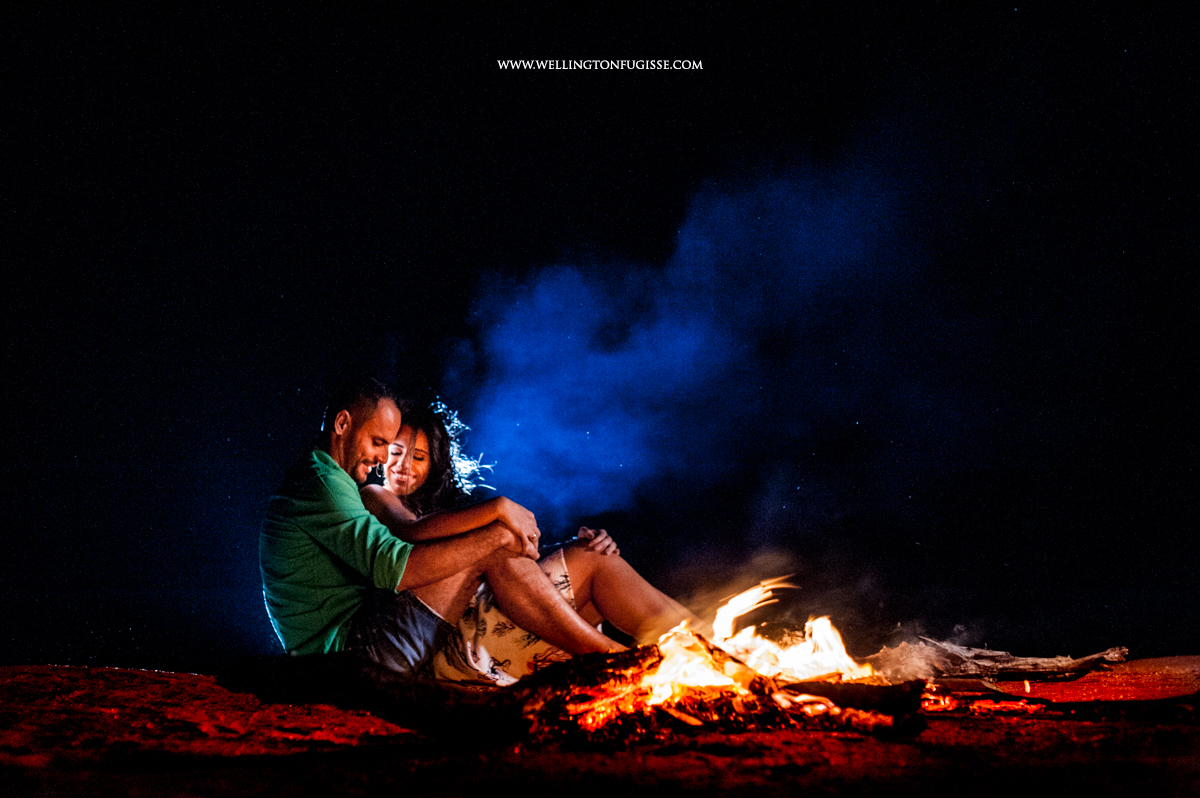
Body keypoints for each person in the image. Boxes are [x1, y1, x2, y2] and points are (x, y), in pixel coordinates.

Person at [259, 377, 627, 678]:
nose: (383, 459)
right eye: (379, 443)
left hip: (353, 646)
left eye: (405, 452)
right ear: (342, 424)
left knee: (567, 561)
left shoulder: (326, 481)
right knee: (488, 546)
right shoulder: (327, 485)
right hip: (350, 658)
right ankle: (614, 658)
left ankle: (648, 647)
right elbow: (397, 565)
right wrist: (498, 527)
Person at [360, 402, 705, 683]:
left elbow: (511, 568)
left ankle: (708, 647)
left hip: (492, 628)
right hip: (452, 649)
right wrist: (498, 509)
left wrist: (569, 544)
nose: (404, 466)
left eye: (418, 457)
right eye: (396, 452)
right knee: (582, 560)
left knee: (595, 556)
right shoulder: (376, 495)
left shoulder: (440, 510)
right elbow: (412, 531)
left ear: (434, 463)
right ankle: (650, 659)